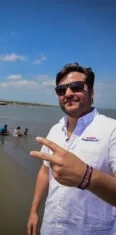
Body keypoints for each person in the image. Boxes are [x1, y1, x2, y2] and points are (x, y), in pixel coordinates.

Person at [27, 63, 116, 235]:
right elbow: (45, 172)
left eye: (76, 87)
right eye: (61, 90)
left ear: (92, 92)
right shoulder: (55, 129)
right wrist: (33, 211)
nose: (68, 93)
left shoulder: (111, 130)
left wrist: (86, 177)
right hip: (50, 227)